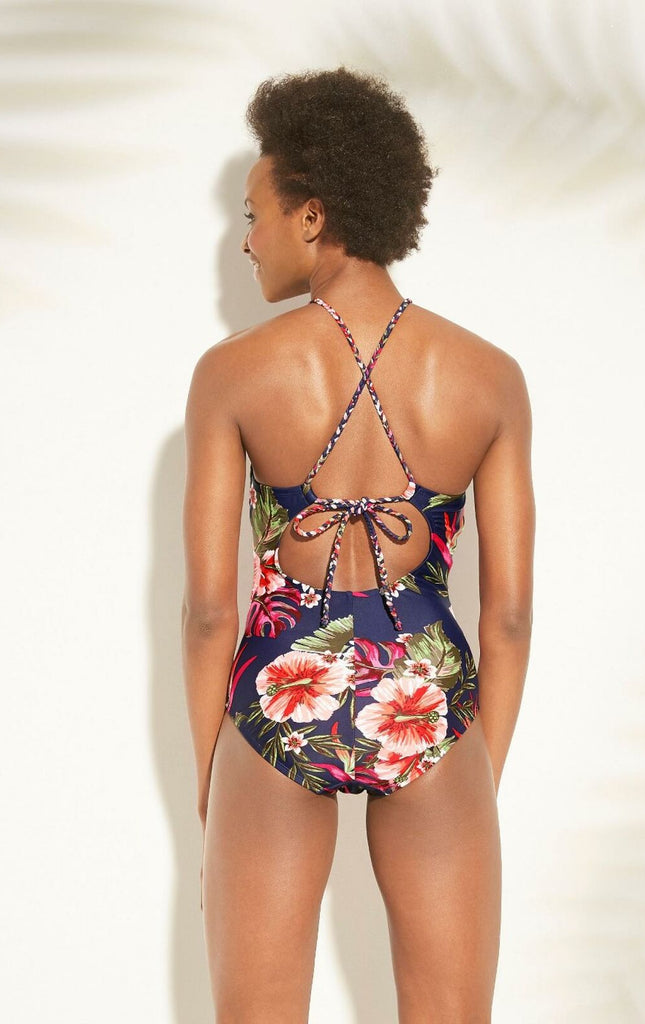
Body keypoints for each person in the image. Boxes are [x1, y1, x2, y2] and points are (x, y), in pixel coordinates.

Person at [182, 66, 535, 1023]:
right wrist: (472, 771)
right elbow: (506, 617)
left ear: (312, 214)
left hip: (276, 697)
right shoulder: (490, 377)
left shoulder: (232, 374)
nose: (244, 239)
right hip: (428, 703)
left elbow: (210, 610)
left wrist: (215, 775)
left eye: (253, 214)